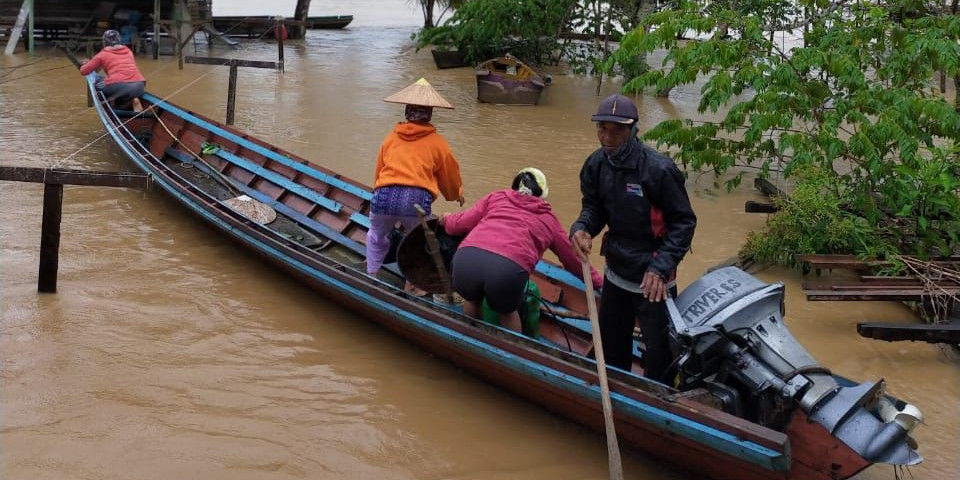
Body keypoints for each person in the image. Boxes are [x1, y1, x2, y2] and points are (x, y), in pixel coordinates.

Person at [570, 94, 697, 383]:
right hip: (617, 271)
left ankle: (659, 404)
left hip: (654, 278)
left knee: (661, 355)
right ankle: (617, 393)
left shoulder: (659, 169)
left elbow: (684, 222)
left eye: (617, 129)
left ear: (632, 130)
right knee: (612, 346)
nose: (607, 136)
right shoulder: (595, 165)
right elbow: (593, 207)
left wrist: (661, 268)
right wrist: (582, 228)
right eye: (602, 128)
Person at [440, 168, 604, 333]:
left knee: (472, 299)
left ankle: (470, 336)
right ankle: (510, 350)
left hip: (466, 261)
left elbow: (459, 224)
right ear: (542, 195)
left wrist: (446, 219)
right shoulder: (549, 219)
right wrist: (600, 283)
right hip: (506, 272)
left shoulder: (496, 197)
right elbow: (573, 259)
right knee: (508, 312)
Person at [367, 78, 465, 287]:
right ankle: (411, 285)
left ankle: (372, 275)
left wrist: (378, 192)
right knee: (419, 243)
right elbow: (449, 178)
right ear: (429, 114)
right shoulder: (438, 144)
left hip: (383, 196)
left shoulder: (391, 138)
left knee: (376, 236)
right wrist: (456, 194)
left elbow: (379, 172)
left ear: (407, 112)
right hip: (415, 201)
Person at [79, 29, 146, 111]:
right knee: (115, 86)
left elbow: (84, 71)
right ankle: (133, 100)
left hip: (118, 85)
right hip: (139, 86)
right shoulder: (128, 51)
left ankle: (110, 106)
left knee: (96, 83)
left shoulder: (103, 54)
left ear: (104, 42)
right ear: (119, 40)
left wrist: (86, 63)